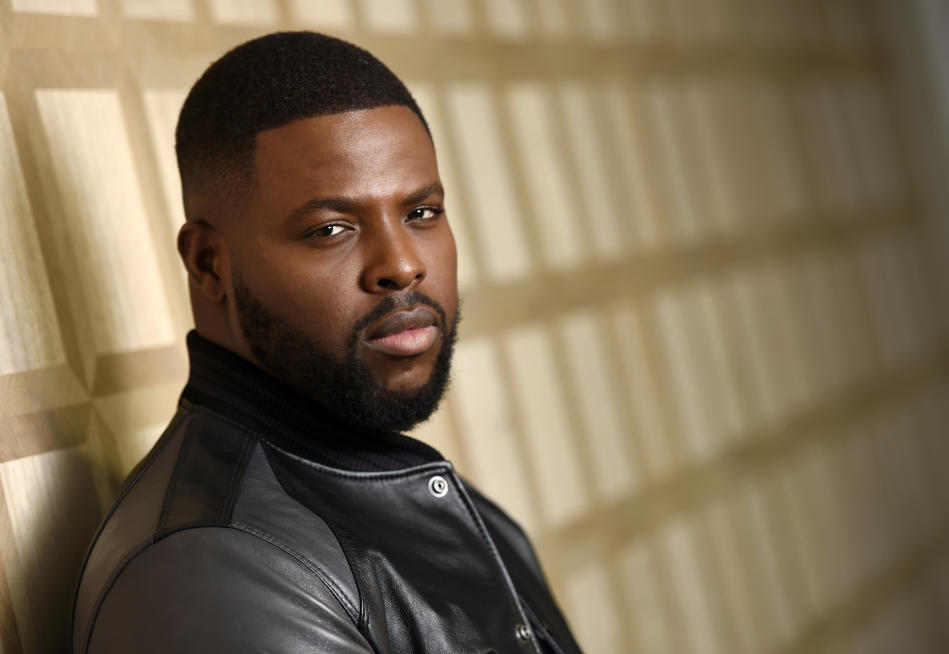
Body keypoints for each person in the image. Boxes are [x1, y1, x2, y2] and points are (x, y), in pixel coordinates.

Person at [71, 31, 582, 654]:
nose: (401, 266)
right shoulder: (219, 567)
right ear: (210, 265)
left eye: (421, 213)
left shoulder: (442, 503)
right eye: (330, 229)